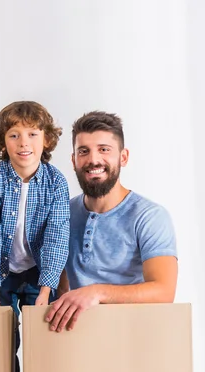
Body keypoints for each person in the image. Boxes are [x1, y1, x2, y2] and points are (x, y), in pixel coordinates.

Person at [0, 100, 70, 372]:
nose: (23, 143)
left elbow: (57, 236)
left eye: (32, 134)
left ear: (46, 140)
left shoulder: (56, 181)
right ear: (3, 141)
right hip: (1, 271)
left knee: (42, 340)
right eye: (14, 135)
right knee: (2, 343)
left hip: (38, 272)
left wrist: (46, 290)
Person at [46, 110, 178, 332]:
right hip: (75, 336)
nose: (93, 160)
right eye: (83, 151)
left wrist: (96, 292)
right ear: (73, 160)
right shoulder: (62, 213)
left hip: (133, 337)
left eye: (104, 150)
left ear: (123, 157)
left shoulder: (149, 216)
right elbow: (58, 282)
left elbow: (164, 291)